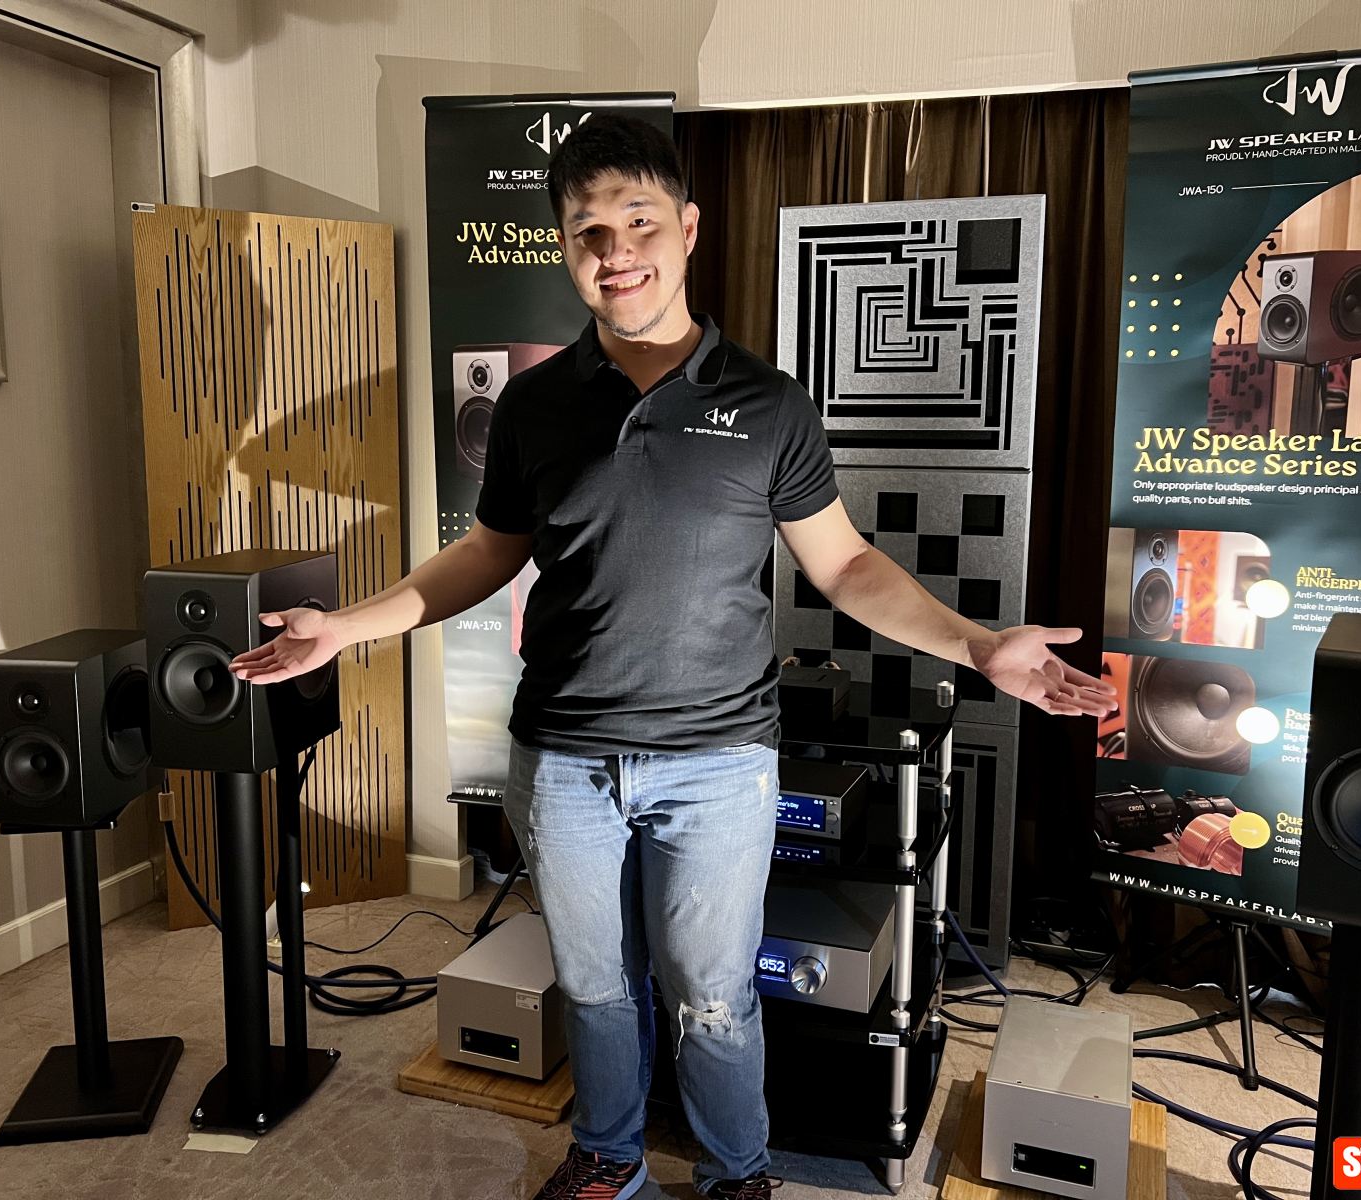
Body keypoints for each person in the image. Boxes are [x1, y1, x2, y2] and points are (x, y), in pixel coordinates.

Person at [229, 114, 1117, 1200]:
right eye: (587, 231)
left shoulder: (767, 402)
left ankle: (737, 1172)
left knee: (712, 995)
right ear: (566, 247)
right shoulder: (534, 403)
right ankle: (608, 1158)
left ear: (688, 229)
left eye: (638, 221)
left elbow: (844, 567)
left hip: (717, 764)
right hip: (564, 761)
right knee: (596, 986)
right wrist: (342, 627)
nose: (615, 252)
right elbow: (485, 555)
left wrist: (978, 646)